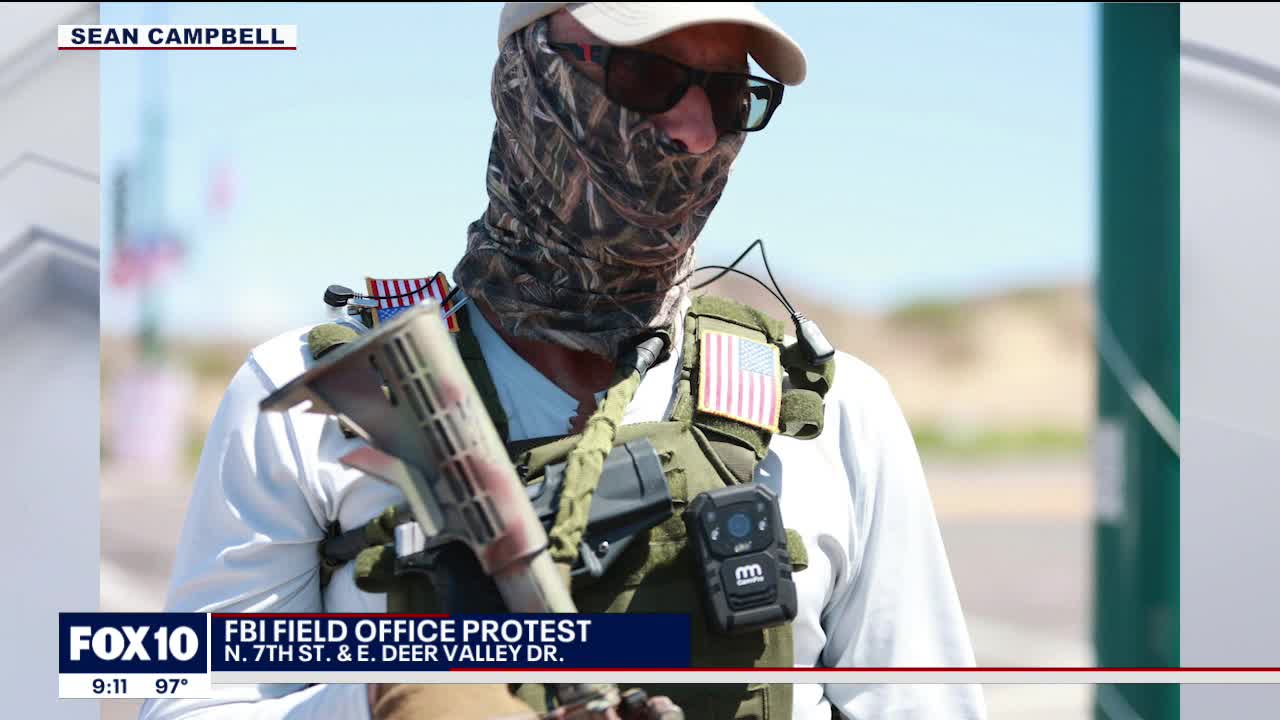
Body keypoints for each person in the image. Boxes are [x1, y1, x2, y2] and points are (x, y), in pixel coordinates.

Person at [141, 3, 987, 719]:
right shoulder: (318, 401)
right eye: (648, 78)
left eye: (730, 94)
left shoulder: (831, 414)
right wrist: (394, 699)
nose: (694, 132)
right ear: (529, 82)